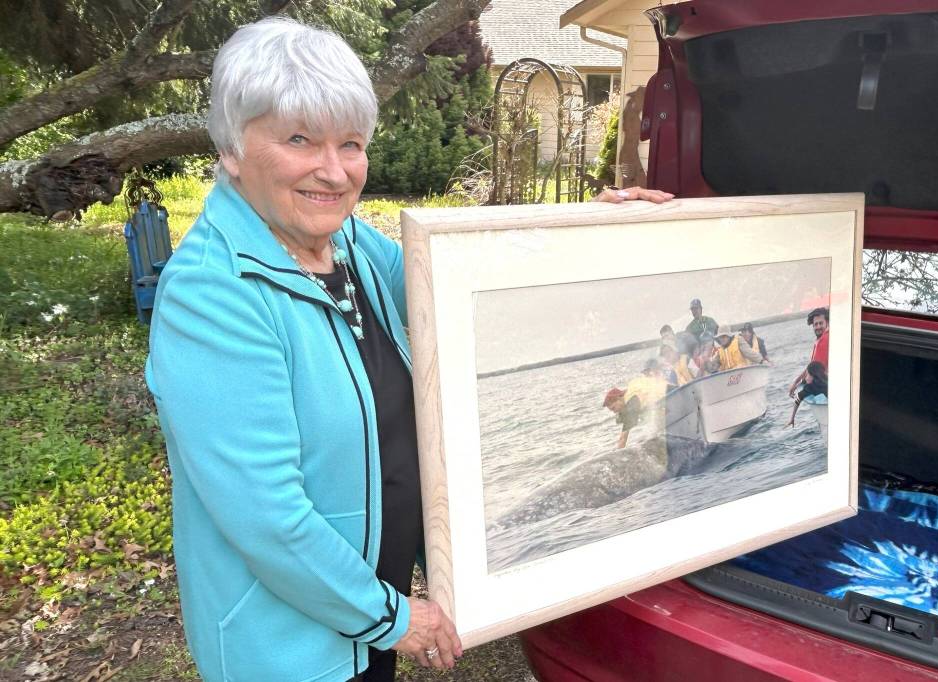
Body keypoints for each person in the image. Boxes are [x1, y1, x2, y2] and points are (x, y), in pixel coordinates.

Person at [145, 19, 671, 682]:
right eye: (300, 139)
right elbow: (270, 521)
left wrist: (586, 231)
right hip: (288, 650)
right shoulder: (212, 295)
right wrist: (396, 619)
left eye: (351, 143)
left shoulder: (352, 247)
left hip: (366, 612)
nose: (333, 171)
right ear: (232, 148)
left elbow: (467, 281)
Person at [603, 360, 669, 448]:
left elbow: (623, 438)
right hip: (667, 395)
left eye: (613, 408)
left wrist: (619, 454)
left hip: (669, 396)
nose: (614, 412)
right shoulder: (631, 390)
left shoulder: (631, 402)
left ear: (618, 398)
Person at [788, 307, 830, 399]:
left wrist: (796, 385)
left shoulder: (824, 340)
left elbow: (816, 371)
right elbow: (811, 367)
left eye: (821, 323)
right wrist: (796, 382)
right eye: (815, 324)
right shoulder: (822, 339)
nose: (818, 326)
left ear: (827, 322)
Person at [787, 361, 828, 427]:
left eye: (807, 375)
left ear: (813, 375)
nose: (805, 377)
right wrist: (796, 385)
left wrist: (792, 419)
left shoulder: (810, 387)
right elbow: (805, 380)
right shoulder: (826, 379)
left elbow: (798, 398)